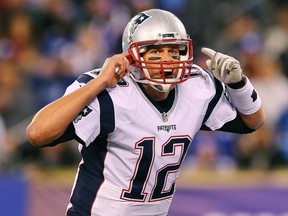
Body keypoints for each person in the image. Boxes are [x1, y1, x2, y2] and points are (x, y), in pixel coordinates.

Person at [26, 8, 265, 216]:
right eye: (156, 52)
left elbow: (253, 122)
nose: (167, 60)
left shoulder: (196, 87)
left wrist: (239, 84)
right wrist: (98, 84)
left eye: (174, 51)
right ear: (132, 56)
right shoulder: (113, 94)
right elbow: (38, 133)